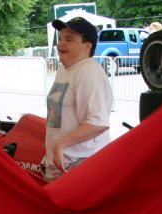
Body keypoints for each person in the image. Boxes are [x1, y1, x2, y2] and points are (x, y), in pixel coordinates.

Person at [43, 16, 112, 181]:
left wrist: (61, 144)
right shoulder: (65, 69)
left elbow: (98, 123)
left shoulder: (88, 71)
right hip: (61, 167)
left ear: (87, 46)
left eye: (69, 39)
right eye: (60, 38)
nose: (61, 44)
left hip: (81, 169)